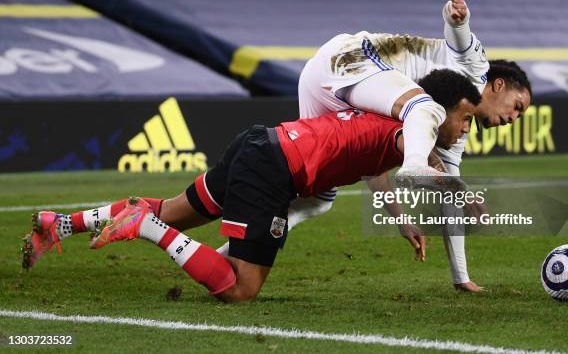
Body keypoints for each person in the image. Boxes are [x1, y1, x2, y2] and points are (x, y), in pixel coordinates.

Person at [22, 70, 480, 302]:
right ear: (438, 110)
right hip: (275, 170)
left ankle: (59, 225)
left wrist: (404, 221)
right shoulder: (415, 125)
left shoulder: (392, 120)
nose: (465, 129)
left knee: (173, 208)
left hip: (261, 142)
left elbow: (384, 169)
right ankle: (145, 227)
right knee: (241, 289)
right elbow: (416, 165)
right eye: (465, 118)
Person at [227, 0, 532, 293]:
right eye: (517, 106)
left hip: (323, 83)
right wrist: (457, 18)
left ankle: (231, 256)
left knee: (315, 196)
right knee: (422, 108)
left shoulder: (451, 134)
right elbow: (461, 39)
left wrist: (459, 275)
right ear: (499, 84)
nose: (514, 117)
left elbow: (377, 166)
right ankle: (414, 165)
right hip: (352, 59)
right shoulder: (477, 70)